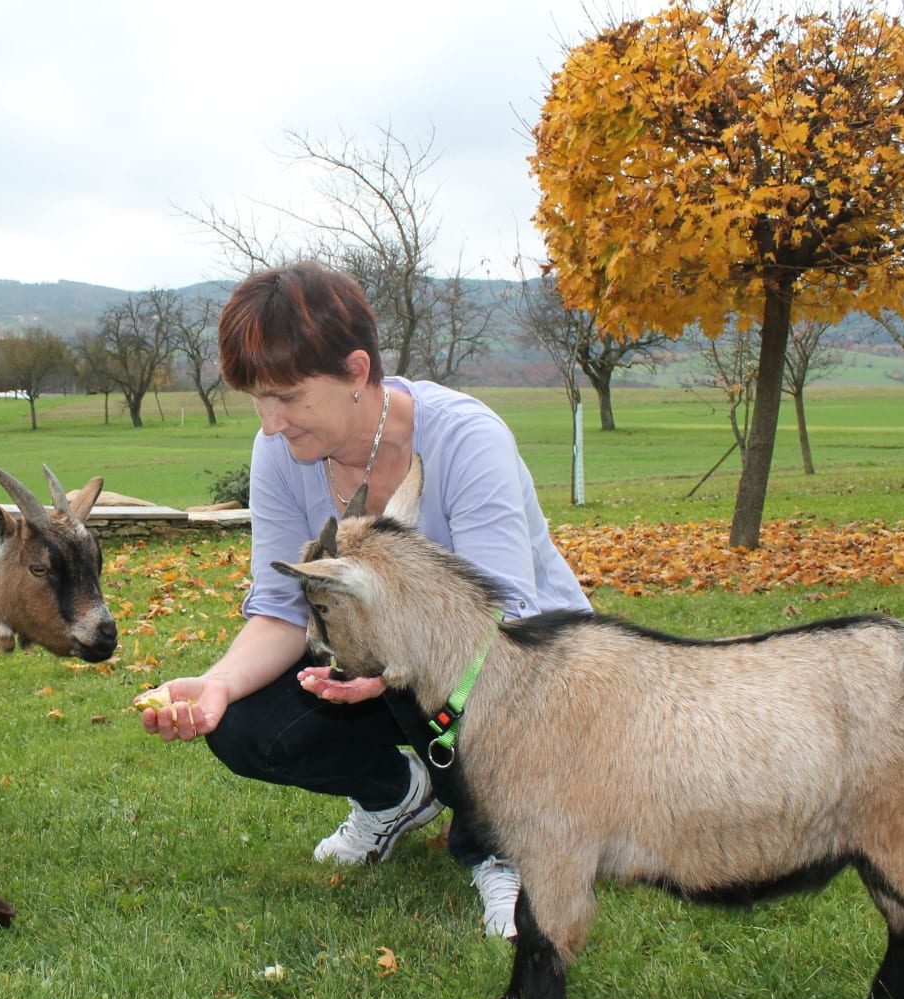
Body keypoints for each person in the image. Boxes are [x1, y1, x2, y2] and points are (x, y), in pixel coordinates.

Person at [138, 260, 591, 939]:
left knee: (421, 672)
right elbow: (282, 609)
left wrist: (390, 668)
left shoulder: (467, 440)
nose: (270, 423)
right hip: (390, 667)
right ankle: (397, 795)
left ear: (355, 371)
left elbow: (506, 626)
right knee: (244, 724)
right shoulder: (281, 454)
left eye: (287, 397)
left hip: (526, 674)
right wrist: (218, 685)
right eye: (258, 400)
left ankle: (507, 850)